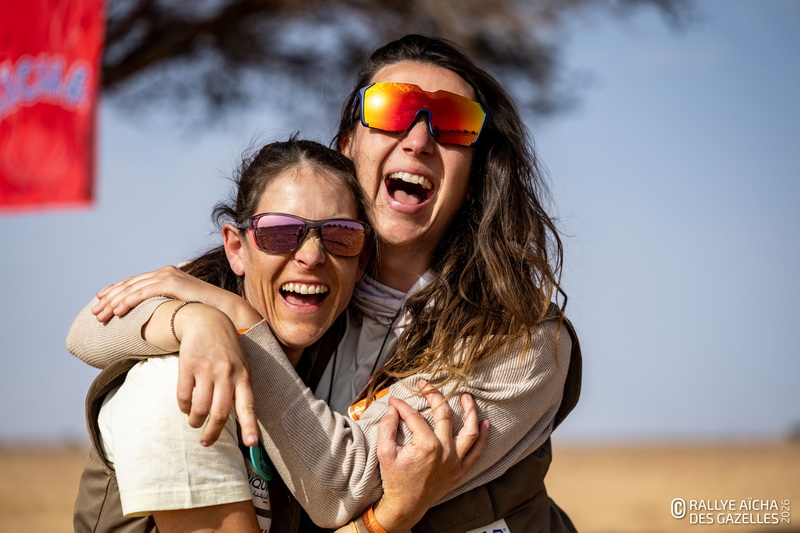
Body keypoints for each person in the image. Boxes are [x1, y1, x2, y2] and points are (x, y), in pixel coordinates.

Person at [68, 34, 582, 532]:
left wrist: (240, 323)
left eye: (453, 123)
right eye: (391, 111)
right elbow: (92, 328)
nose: (420, 139)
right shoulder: (299, 266)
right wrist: (197, 320)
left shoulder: (520, 338)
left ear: (473, 179)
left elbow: (344, 483)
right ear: (348, 148)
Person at [70, 138, 488, 533]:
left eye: (340, 236)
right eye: (279, 233)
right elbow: (90, 325)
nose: (311, 255)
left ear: (361, 261)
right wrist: (390, 517)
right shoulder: (180, 391)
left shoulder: (332, 357)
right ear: (236, 249)